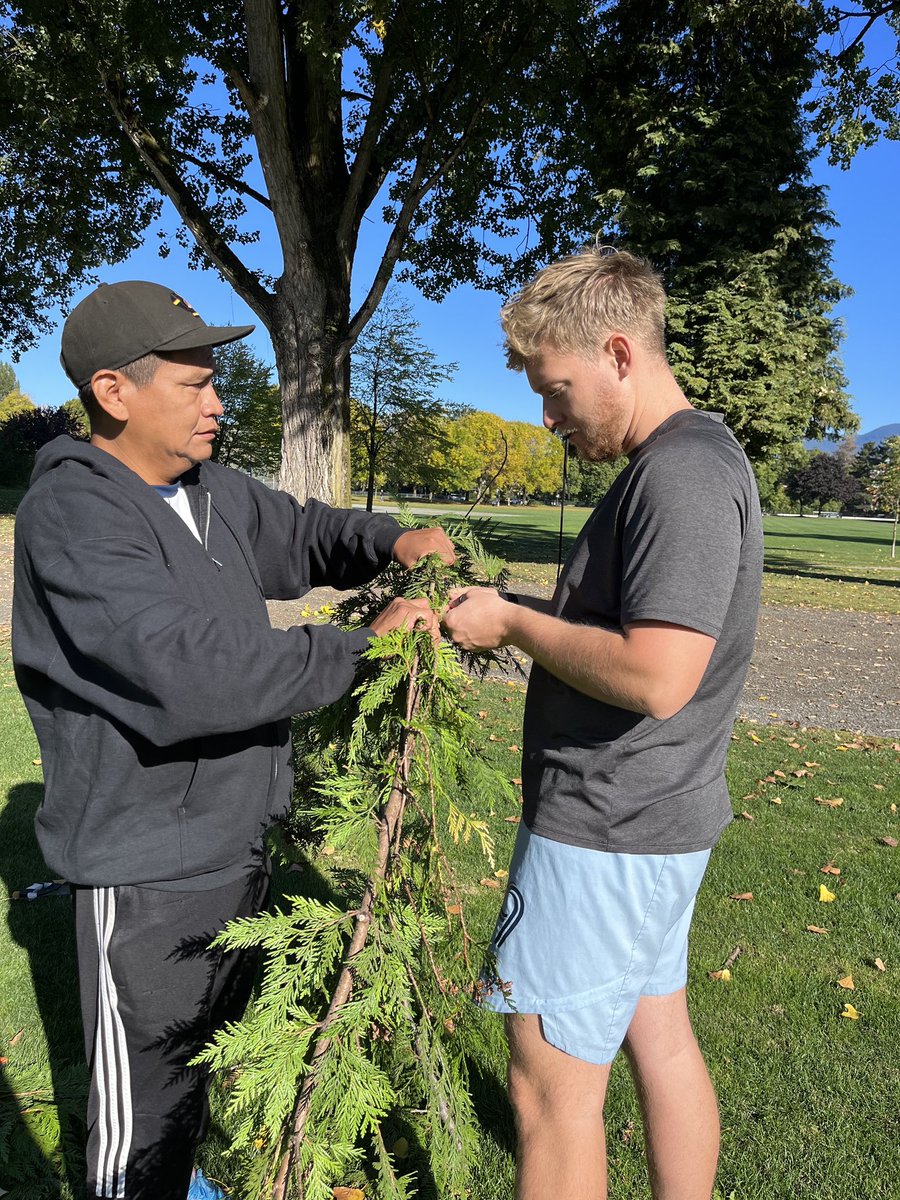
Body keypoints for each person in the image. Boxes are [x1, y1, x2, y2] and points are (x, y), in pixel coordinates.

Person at [12, 280, 454, 1200]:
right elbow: (188, 669)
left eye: (217, 382)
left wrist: (396, 540)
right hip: (144, 869)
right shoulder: (74, 513)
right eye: (195, 385)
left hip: (235, 843)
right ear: (113, 391)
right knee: (142, 1129)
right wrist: (358, 653)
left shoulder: (208, 491)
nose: (219, 403)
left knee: (202, 1082)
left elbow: (306, 533)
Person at [443, 248, 762, 1200]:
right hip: (653, 823)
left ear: (619, 352)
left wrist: (511, 620)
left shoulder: (680, 475)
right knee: (658, 1037)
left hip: (609, 831)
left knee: (547, 1093)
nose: (548, 418)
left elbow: (659, 676)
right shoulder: (687, 460)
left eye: (557, 389)